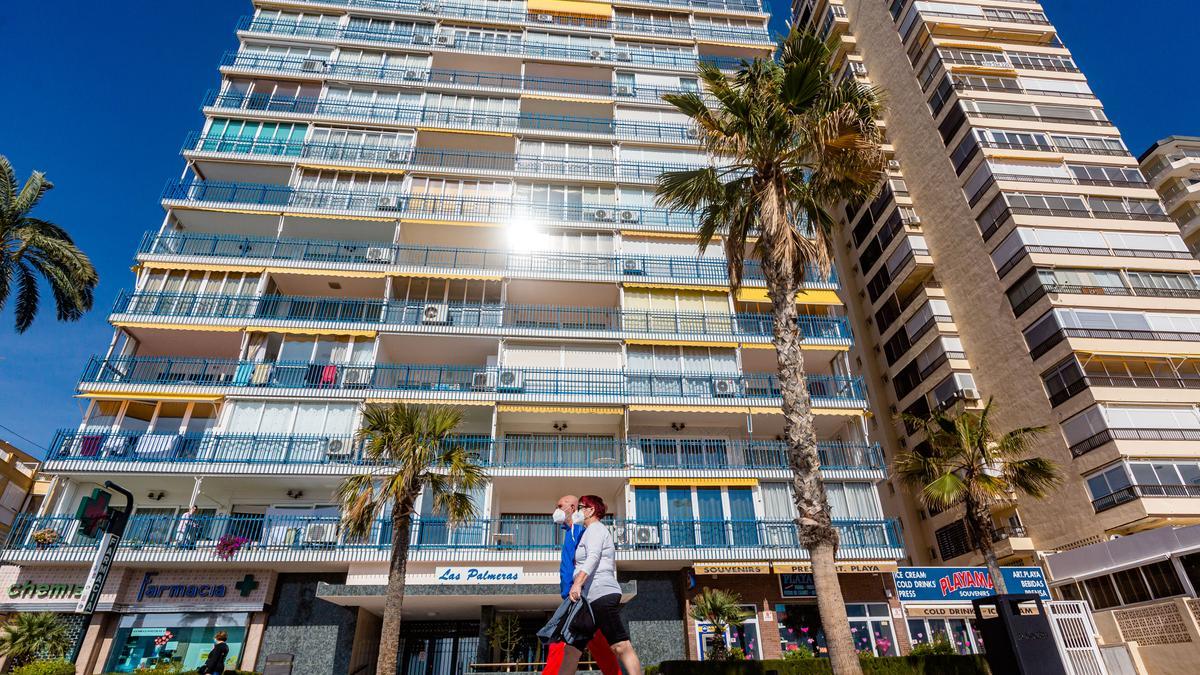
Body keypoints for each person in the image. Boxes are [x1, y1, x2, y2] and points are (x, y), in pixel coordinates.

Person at [560, 495, 641, 675]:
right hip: (589, 599)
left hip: (602, 594)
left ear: (591, 510)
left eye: (581, 507)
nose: (578, 511)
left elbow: (593, 557)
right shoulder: (586, 532)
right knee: (571, 650)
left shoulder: (596, 529)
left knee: (620, 646)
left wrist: (577, 584)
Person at [542, 495, 620, 675]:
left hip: (578, 598)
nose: (557, 509)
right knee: (603, 650)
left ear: (572, 507)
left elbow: (589, 560)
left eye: (560, 505)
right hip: (577, 597)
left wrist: (576, 587)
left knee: (560, 647)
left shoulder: (580, 531)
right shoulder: (571, 531)